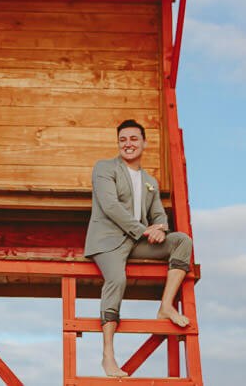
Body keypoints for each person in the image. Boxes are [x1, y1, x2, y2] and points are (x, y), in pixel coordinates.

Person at [84, 119, 193, 378]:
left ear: (144, 143)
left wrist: (160, 228)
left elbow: (159, 215)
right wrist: (144, 230)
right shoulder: (104, 168)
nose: (128, 144)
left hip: (136, 242)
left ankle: (166, 305)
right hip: (108, 241)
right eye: (123, 140)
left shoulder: (149, 181)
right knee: (117, 279)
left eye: (133, 139)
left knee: (182, 241)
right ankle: (108, 356)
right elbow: (110, 206)